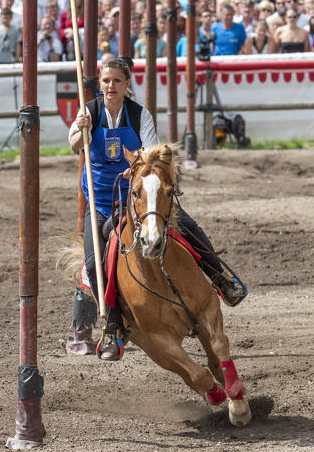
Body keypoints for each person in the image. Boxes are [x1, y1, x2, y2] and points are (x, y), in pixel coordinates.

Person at [68, 58, 246, 360]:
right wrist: (79, 130)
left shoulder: (140, 115)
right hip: (99, 203)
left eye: (117, 81)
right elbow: (74, 145)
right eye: (106, 81)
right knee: (91, 260)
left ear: (127, 85)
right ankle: (112, 325)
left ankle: (221, 278)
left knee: (189, 226)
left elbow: (151, 154)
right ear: (100, 83)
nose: (111, 86)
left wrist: (136, 165)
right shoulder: (89, 112)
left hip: (138, 197)